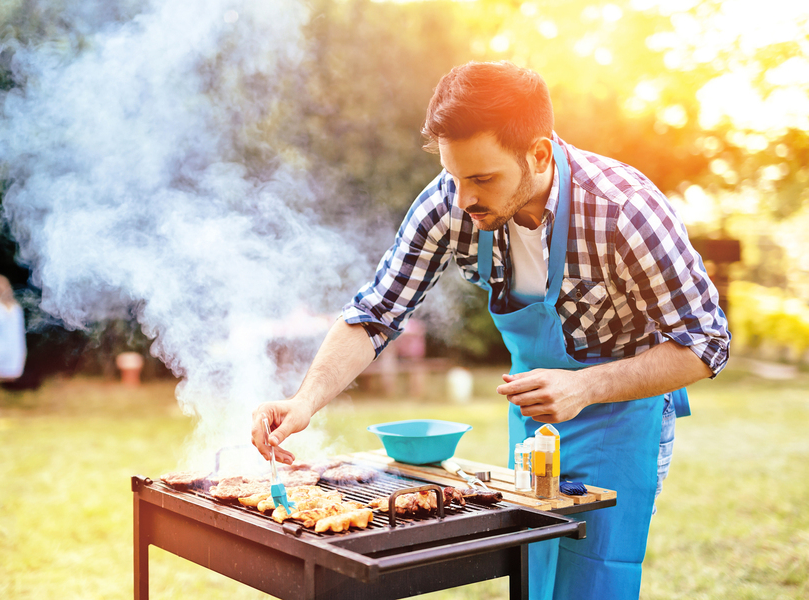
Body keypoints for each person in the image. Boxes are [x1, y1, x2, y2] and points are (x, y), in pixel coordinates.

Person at [250, 61, 730, 599]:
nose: (462, 199)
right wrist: (305, 400)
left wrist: (586, 387)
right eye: (455, 176)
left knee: (595, 578)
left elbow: (706, 342)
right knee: (534, 575)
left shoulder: (624, 210)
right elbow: (376, 313)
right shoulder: (450, 203)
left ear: (539, 154)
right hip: (534, 423)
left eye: (481, 178)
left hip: (623, 417)